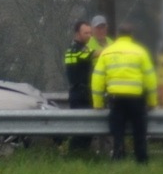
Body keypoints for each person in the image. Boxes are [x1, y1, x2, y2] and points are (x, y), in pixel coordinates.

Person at [92, 21, 157, 163]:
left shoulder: (107, 52)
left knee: (117, 132)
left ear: (117, 35)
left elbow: (97, 79)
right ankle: (141, 160)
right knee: (139, 131)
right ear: (131, 36)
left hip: (116, 99)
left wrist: (98, 103)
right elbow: (150, 79)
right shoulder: (140, 52)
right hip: (136, 99)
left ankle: (118, 157)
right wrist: (152, 102)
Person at [63, 20, 97, 109]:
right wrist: (114, 49)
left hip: (76, 92)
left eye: (90, 33)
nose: (89, 36)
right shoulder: (78, 49)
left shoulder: (72, 47)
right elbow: (96, 54)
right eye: (86, 33)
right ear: (77, 34)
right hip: (81, 94)